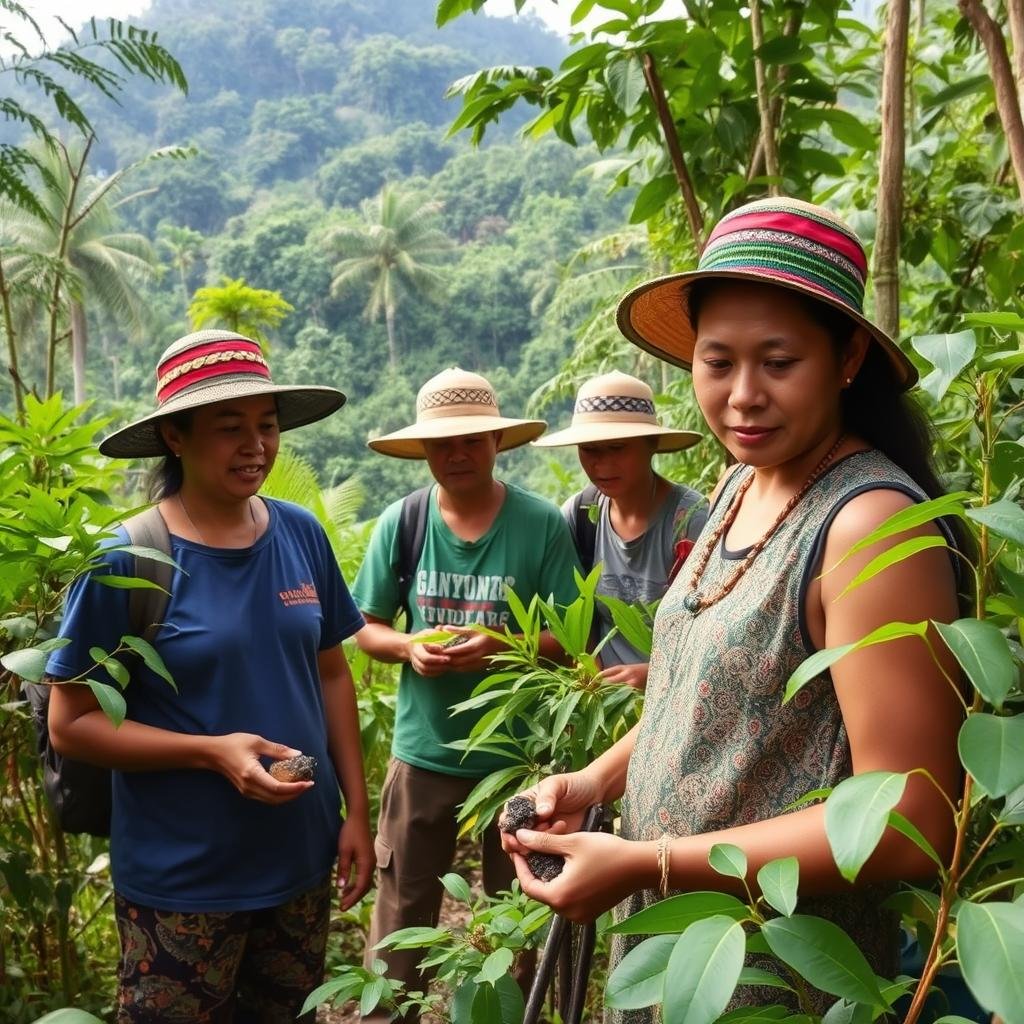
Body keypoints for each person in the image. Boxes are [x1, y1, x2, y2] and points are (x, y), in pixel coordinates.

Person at [500, 198, 966, 1016]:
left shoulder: (865, 526)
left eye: (778, 362)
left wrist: (648, 864)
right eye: (718, 363)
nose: (743, 397)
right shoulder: (738, 482)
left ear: (847, 356)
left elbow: (907, 820)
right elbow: (707, 691)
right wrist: (596, 778)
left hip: (773, 967)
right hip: (677, 945)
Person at [46, 329, 373, 1023]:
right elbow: (70, 723)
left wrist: (357, 814)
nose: (256, 445)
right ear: (174, 436)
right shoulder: (126, 560)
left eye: (267, 425)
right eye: (230, 428)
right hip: (183, 881)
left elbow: (332, 674)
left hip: (299, 864)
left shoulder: (300, 533)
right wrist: (211, 751)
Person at [351, 367, 581, 1020]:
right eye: (442, 443)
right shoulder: (404, 523)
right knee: (401, 914)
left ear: (496, 443)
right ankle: (388, 1013)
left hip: (515, 761)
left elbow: (571, 635)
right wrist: (410, 647)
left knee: (514, 917)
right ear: (424, 449)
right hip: (423, 753)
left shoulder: (539, 525)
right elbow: (365, 629)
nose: (456, 455)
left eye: (472, 441)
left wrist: (501, 645)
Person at [533, 371, 706, 688]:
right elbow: (572, 621)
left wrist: (650, 675)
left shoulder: (690, 520)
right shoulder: (581, 514)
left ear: (651, 444)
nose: (601, 464)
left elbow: (710, 631)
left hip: (674, 696)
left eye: (617, 448)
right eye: (590, 450)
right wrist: (591, 674)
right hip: (603, 702)